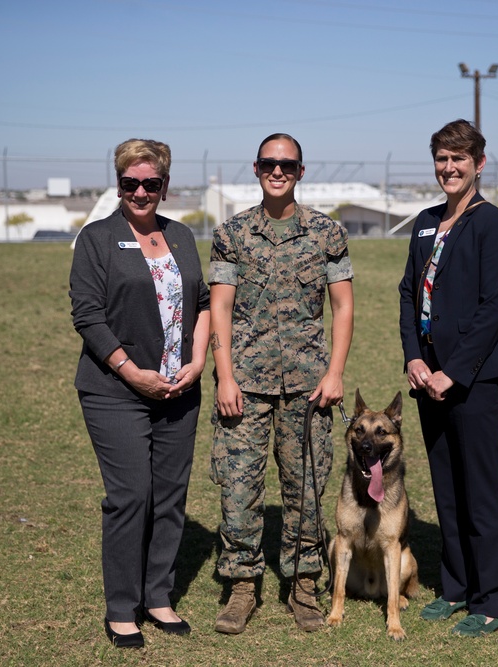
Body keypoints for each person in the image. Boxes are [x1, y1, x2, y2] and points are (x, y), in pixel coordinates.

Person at [208, 133, 354, 634]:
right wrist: (224, 376)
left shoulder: (326, 233)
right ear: (255, 168)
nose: (278, 171)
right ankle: (242, 586)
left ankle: (304, 584)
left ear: (300, 170)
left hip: (310, 386)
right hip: (244, 385)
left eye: (287, 164)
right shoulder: (232, 233)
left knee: (308, 486)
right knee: (239, 488)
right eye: (270, 163)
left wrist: (334, 373)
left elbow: (343, 306)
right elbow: (220, 307)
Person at [69, 138, 210, 648]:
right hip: (116, 390)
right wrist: (133, 374)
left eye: (151, 183)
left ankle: (158, 596)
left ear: (165, 186)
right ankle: (121, 607)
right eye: (131, 183)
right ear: (119, 183)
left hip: (179, 388)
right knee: (131, 496)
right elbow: (87, 315)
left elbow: (202, 303)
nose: (141, 191)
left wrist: (197, 363)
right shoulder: (98, 239)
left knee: (170, 498)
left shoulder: (183, 236)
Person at [398, 119, 498, 638]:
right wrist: (415, 359)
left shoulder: (493, 223)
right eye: (442, 159)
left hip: (474, 379)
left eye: (459, 159)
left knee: (481, 490)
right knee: (446, 486)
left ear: (479, 163)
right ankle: (455, 586)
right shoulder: (426, 221)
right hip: (428, 379)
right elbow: (408, 293)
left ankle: (492, 599)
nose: (449, 168)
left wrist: (455, 371)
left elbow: (493, 308)